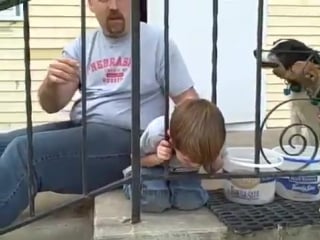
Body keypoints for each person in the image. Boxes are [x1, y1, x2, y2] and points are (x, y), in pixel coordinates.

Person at [0, 0, 199, 228]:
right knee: (4, 143)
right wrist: (51, 84)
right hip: (87, 130)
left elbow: (188, 100)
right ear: (90, 4)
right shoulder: (82, 46)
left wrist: (198, 141)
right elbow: (52, 105)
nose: (114, 6)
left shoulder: (157, 42)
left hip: (133, 140)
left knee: (25, 153)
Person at [123, 98, 226, 212]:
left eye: (199, 161)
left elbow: (212, 169)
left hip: (182, 173)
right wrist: (158, 158)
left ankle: (173, 190)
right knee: (154, 201)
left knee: (190, 201)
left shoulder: (212, 140)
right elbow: (136, 159)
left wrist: (214, 156)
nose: (195, 164)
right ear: (171, 139)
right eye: (187, 159)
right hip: (153, 168)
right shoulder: (157, 133)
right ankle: (129, 184)